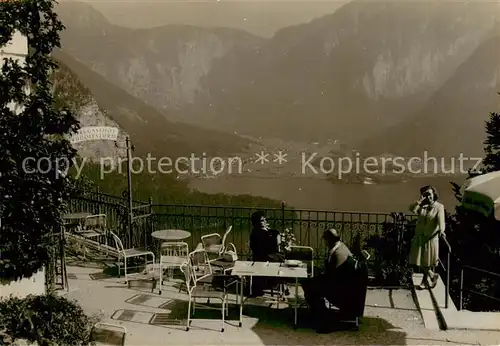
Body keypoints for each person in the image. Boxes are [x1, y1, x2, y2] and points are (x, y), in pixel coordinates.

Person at [301, 228, 366, 333]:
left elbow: (334, 278)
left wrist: (318, 277)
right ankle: (318, 312)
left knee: (309, 285)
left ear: (330, 240)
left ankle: (320, 316)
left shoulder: (338, 254)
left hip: (340, 291)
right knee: (311, 280)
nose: (325, 243)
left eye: (326, 240)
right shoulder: (340, 247)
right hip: (341, 284)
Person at [409, 185, 446, 290]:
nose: (428, 197)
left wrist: (442, 231)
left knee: (427, 262)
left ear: (434, 194)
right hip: (420, 237)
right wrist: (419, 202)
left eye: (429, 194)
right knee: (419, 261)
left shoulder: (439, 207)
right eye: (425, 194)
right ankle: (432, 275)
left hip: (431, 238)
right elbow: (412, 210)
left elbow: (441, 222)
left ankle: (425, 281)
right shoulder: (422, 206)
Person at [248, 211, 286, 296]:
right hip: (262, 258)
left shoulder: (260, 231)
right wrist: (277, 240)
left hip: (263, 256)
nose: (265, 222)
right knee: (282, 259)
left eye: (265, 219)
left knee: (282, 257)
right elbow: (270, 247)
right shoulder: (258, 233)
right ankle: (278, 283)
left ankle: (280, 284)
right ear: (256, 222)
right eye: (262, 220)